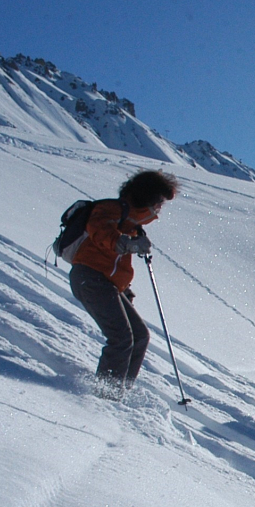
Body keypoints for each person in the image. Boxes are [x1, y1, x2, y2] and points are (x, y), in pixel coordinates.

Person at [69, 169, 179, 394]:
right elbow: (100, 230)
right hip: (89, 277)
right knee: (121, 338)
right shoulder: (111, 209)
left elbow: (114, 263)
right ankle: (106, 395)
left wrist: (124, 289)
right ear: (146, 196)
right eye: (158, 202)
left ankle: (117, 392)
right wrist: (125, 243)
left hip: (104, 283)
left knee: (139, 336)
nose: (159, 209)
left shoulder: (132, 224)